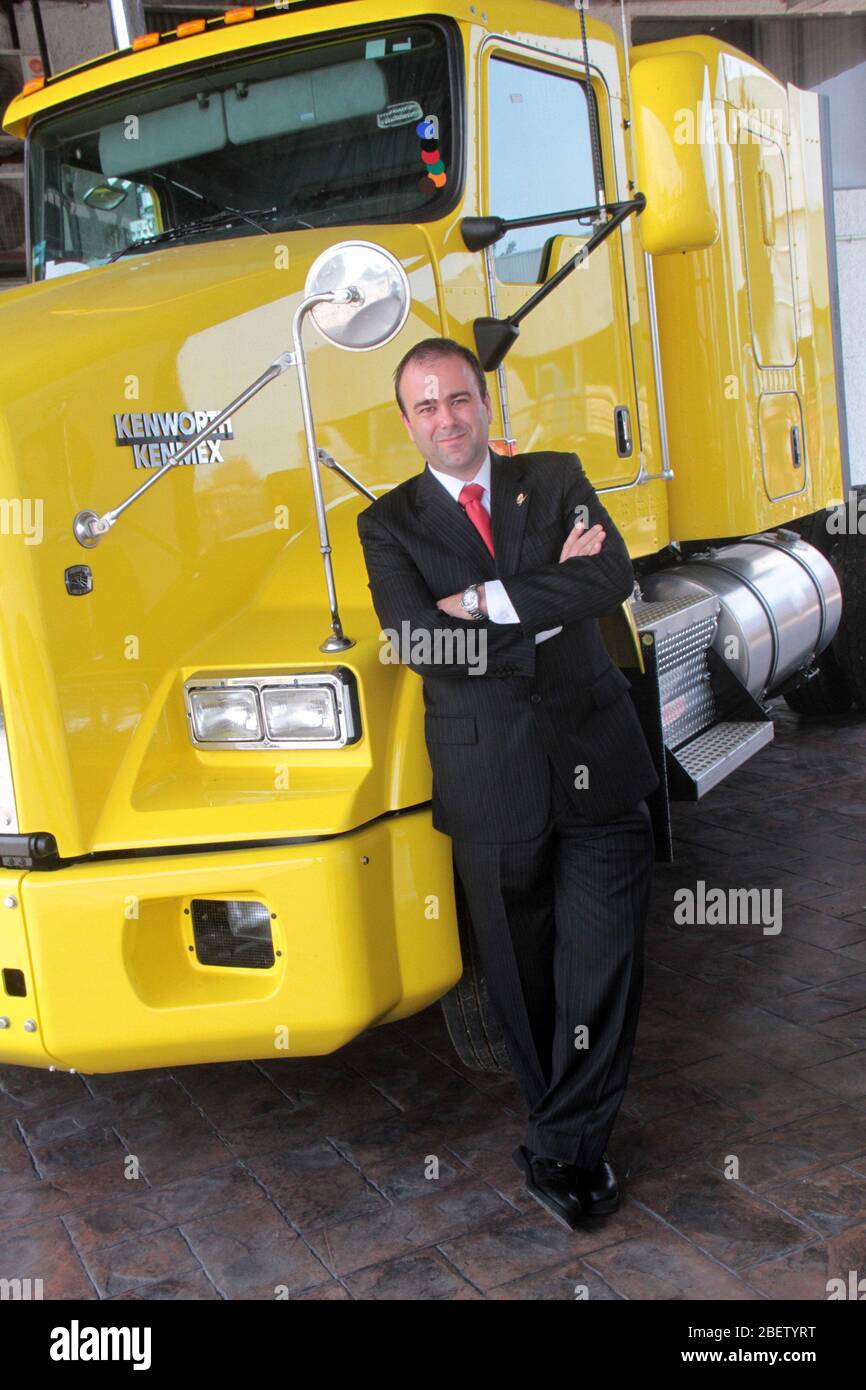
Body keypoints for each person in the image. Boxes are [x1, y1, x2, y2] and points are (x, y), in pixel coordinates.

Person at [356, 337, 659, 1230]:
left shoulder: (556, 476)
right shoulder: (389, 524)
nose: (446, 419)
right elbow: (418, 644)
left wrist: (484, 602)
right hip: (490, 782)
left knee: (602, 962)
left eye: (459, 399)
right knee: (522, 977)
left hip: (598, 763)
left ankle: (566, 1147)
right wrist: (546, 598)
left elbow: (610, 578)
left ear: (485, 403)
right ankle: (560, 1124)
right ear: (407, 422)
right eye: (426, 407)